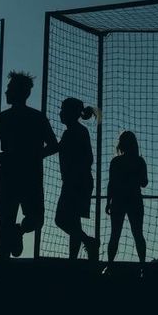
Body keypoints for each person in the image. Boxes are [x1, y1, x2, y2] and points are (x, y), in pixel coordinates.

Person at [0, 71, 58, 258]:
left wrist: (30, 156)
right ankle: (3, 263)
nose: (6, 92)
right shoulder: (8, 118)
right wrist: (9, 157)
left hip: (21, 174)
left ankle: (18, 233)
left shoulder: (31, 118)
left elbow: (54, 146)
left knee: (30, 220)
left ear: (18, 92)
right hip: (17, 174)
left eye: (9, 89)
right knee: (7, 220)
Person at [54, 98, 100, 260]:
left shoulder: (73, 132)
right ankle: (73, 258)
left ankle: (88, 241)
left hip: (76, 182)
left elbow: (87, 158)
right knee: (74, 222)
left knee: (61, 219)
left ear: (70, 113)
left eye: (62, 109)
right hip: (80, 182)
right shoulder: (77, 131)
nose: (60, 113)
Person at [105, 131, 148, 266]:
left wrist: (108, 202)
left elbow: (111, 183)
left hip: (118, 200)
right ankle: (142, 266)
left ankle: (110, 265)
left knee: (115, 235)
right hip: (135, 199)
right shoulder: (139, 161)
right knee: (138, 234)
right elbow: (144, 183)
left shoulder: (116, 161)